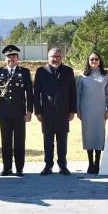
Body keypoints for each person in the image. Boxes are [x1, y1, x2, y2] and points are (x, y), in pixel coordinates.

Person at [0, 45, 33, 176]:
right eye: (9, 56)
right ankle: (6, 167)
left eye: (14, 56)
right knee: (6, 141)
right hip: (3, 113)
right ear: (5, 58)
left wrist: (30, 111)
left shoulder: (24, 72)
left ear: (18, 58)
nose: (11, 58)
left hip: (20, 113)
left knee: (19, 141)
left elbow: (30, 93)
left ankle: (19, 168)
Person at [34, 47, 77, 175]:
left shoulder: (68, 71)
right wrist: (38, 111)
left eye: (58, 56)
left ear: (62, 57)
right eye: (53, 56)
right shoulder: (41, 71)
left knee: (62, 141)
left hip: (63, 112)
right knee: (48, 141)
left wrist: (72, 111)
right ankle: (48, 165)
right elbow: (36, 93)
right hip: (46, 113)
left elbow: (73, 92)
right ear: (48, 57)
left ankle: (63, 166)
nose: (55, 59)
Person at [76, 51, 108, 174]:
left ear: (100, 61)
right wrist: (78, 110)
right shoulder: (82, 76)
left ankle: (97, 163)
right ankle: (90, 163)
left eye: (96, 59)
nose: (94, 61)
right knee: (88, 136)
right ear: (88, 61)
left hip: (100, 111)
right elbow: (78, 95)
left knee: (99, 136)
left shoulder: (105, 75)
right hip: (86, 110)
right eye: (91, 59)